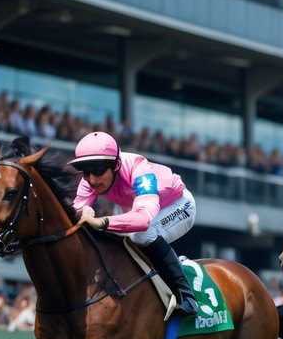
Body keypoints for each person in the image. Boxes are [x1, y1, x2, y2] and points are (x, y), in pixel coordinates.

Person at [70, 131, 199, 316]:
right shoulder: (89, 181)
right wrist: (82, 212)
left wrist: (101, 221)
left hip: (178, 205)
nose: (91, 179)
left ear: (115, 165)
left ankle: (186, 296)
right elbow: (76, 215)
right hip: (138, 209)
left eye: (97, 171)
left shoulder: (142, 172)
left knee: (142, 236)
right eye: (85, 172)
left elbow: (143, 219)